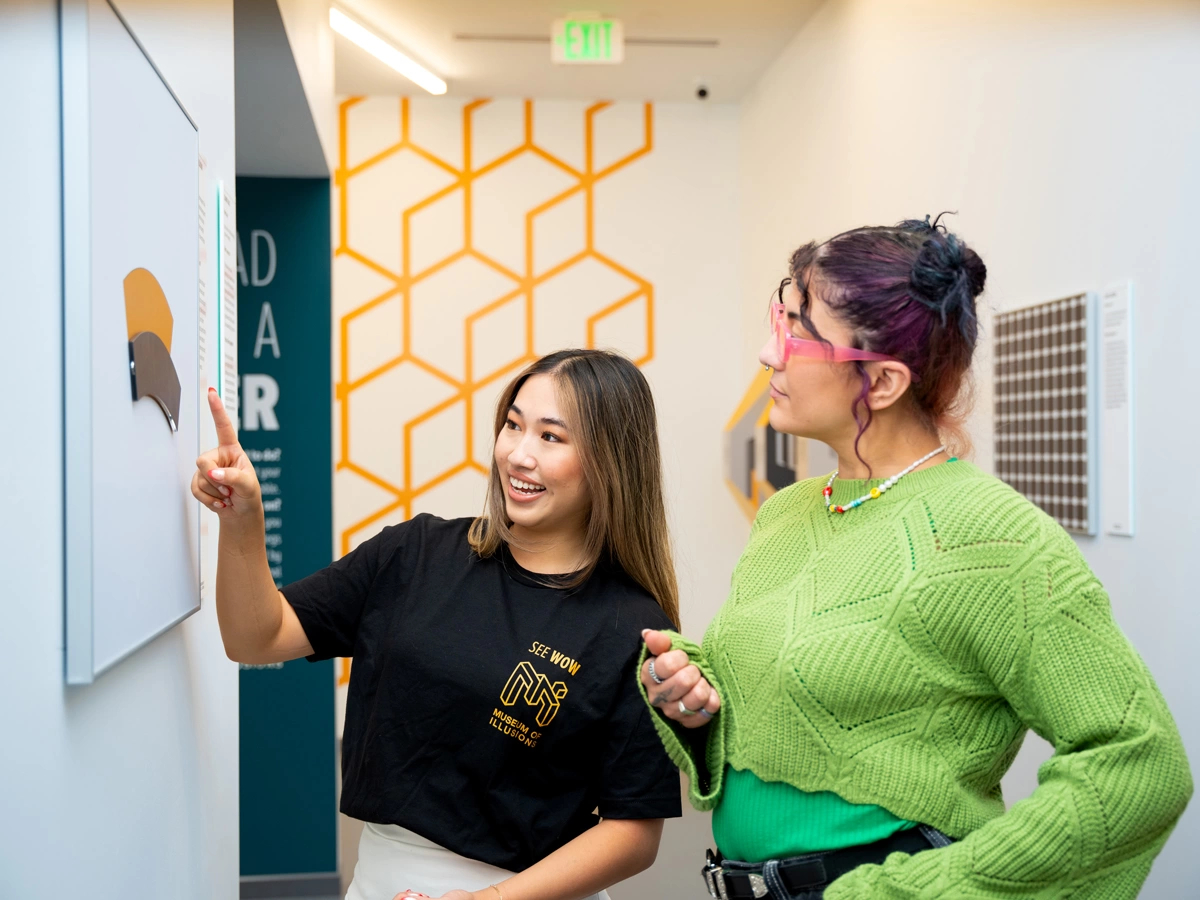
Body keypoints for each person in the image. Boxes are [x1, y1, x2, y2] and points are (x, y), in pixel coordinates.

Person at [638, 217, 1192, 899]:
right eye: (778, 321)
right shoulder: (789, 511)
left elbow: (1141, 766)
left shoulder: (993, 539)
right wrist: (695, 703)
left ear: (884, 381)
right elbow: (804, 699)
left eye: (796, 334)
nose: (767, 353)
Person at [192, 349, 683, 900]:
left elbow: (634, 832)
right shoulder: (415, 553)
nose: (519, 455)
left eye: (551, 437)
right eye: (513, 425)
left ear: (609, 460)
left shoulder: (635, 627)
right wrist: (242, 518)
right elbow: (255, 637)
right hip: (383, 882)